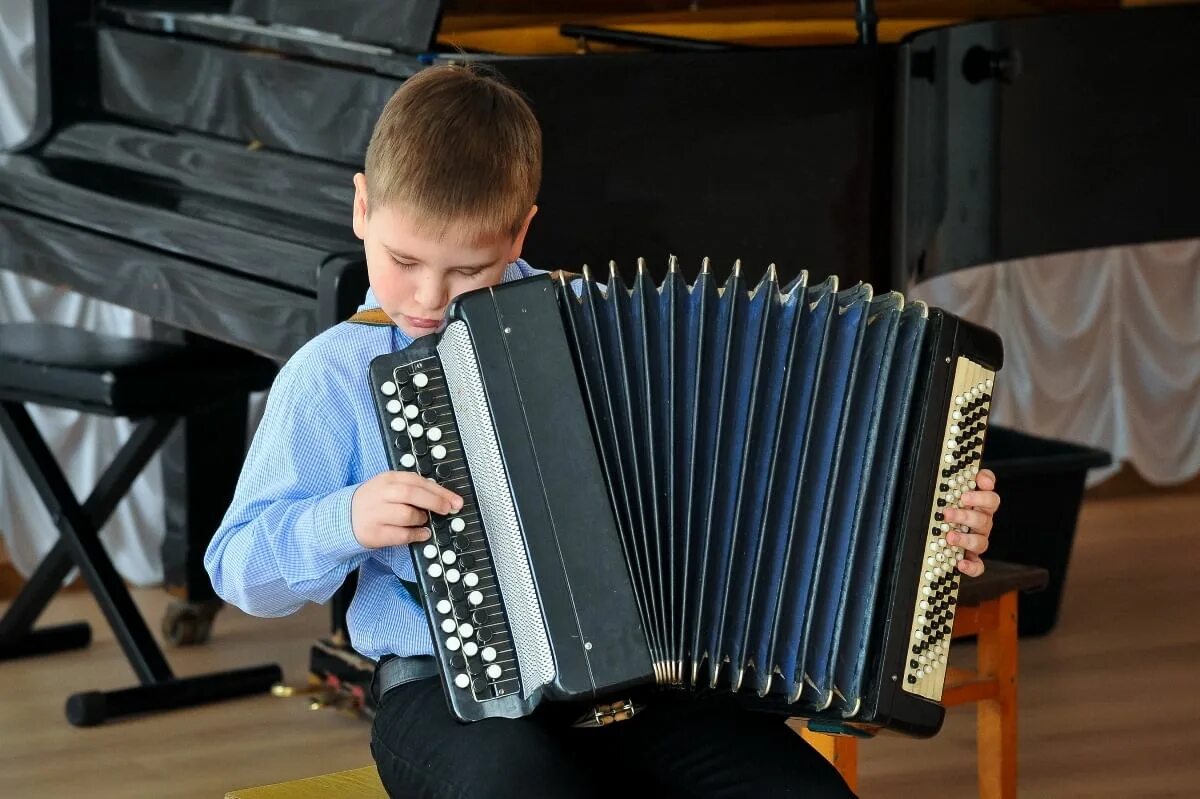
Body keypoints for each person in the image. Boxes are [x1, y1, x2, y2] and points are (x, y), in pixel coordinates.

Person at [205, 62, 1002, 799]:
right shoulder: (332, 374)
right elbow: (238, 567)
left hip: (649, 692)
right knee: (514, 783)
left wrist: (929, 521)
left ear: (520, 234)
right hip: (442, 696)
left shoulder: (595, 323)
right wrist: (343, 518)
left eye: (468, 271)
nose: (427, 297)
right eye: (403, 258)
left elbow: (782, 483)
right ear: (361, 209)